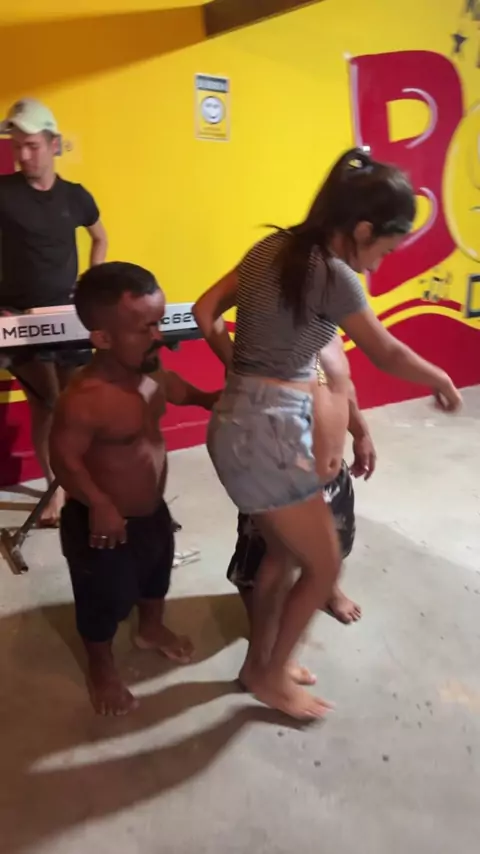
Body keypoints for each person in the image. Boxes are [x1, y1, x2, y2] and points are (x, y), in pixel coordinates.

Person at [193, 147, 462, 720]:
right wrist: (440, 377)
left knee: (284, 556)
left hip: (242, 423)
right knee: (324, 565)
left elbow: (204, 310)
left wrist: (242, 374)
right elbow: (385, 352)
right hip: (269, 434)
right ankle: (270, 677)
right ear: (362, 229)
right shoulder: (334, 274)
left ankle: (263, 663)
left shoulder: (272, 248)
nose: (378, 266)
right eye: (384, 250)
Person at [49, 262, 220, 716]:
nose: (158, 336)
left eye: (158, 322)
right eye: (144, 328)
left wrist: (206, 398)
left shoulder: (149, 369)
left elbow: (172, 387)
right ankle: (101, 666)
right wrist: (99, 503)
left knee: (155, 574)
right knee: (102, 599)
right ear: (103, 338)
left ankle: (150, 628)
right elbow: (63, 459)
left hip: (152, 509)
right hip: (102, 521)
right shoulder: (85, 398)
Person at [228, 337, 375, 667]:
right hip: (277, 485)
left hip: (329, 476)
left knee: (333, 543)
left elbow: (343, 388)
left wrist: (361, 433)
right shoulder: (261, 341)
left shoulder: (328, 333)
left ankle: (328, 589)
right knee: (265, 558)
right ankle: (266, 640)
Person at [0, 98, 108, 525]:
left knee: (76, 406)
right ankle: (54, 492)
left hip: (70, 318)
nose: (23, 155)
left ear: (54, 144)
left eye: (31, 145)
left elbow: (100, 237)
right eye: (16, 147)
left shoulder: (76, 197)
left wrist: (91, 284)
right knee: (45, 404)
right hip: (20, 318)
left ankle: (78, 483)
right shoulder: (4, 193)